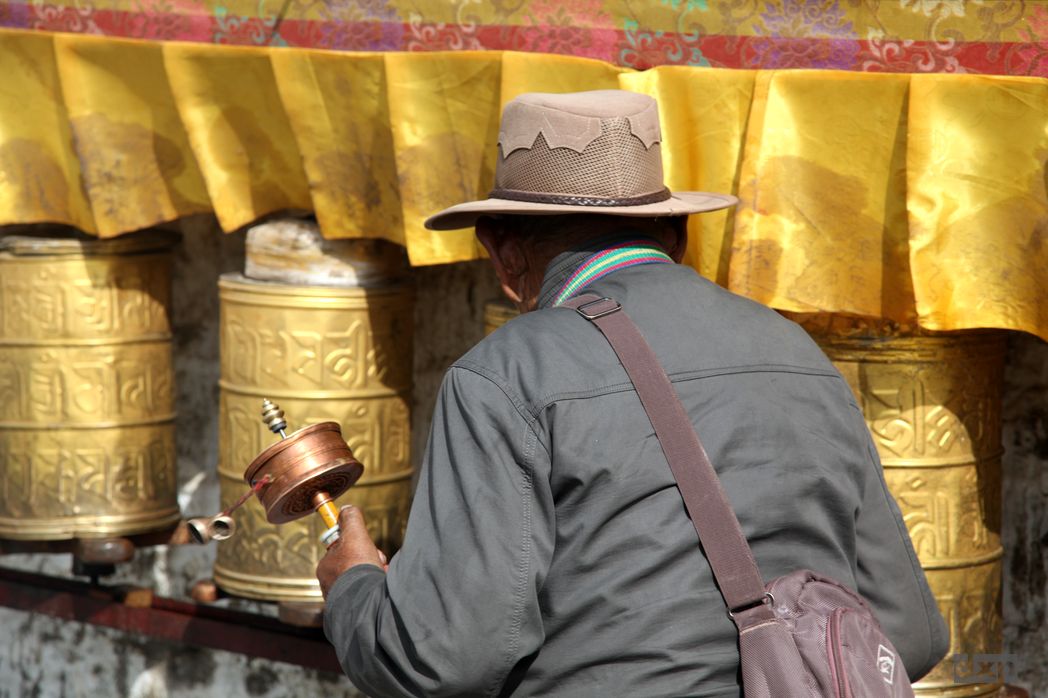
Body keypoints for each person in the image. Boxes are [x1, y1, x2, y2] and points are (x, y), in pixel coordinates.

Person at [316, 90, 948, 697]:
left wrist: (355, 588)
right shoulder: (799, 351)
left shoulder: (503, 374)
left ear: (503, 254)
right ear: (676, 236)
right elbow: (910, 634)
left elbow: (442, 659)